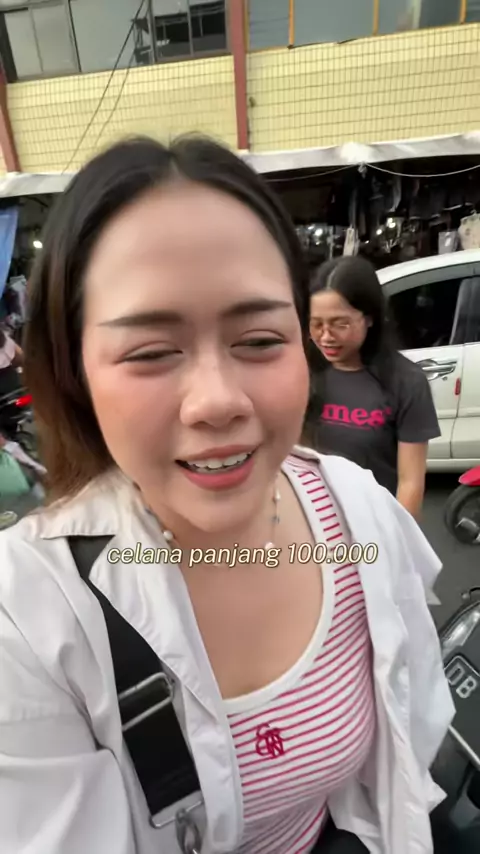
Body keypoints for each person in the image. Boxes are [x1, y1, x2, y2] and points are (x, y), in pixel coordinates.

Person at [0, 137, 453, 854]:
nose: (217, 401)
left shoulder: (358, 517)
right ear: (75, 372)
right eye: (151, 352)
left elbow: (407, 744)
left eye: (260, 339)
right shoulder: (27, 616)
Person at [304, 256, 440, 519]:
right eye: (316, 324)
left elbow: (410, 483)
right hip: (310, 519)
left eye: (340, 324)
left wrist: (398, 536)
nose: (326, 336)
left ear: (369, 318)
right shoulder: (303, 370)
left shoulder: (406, 381)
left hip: (372, 523)